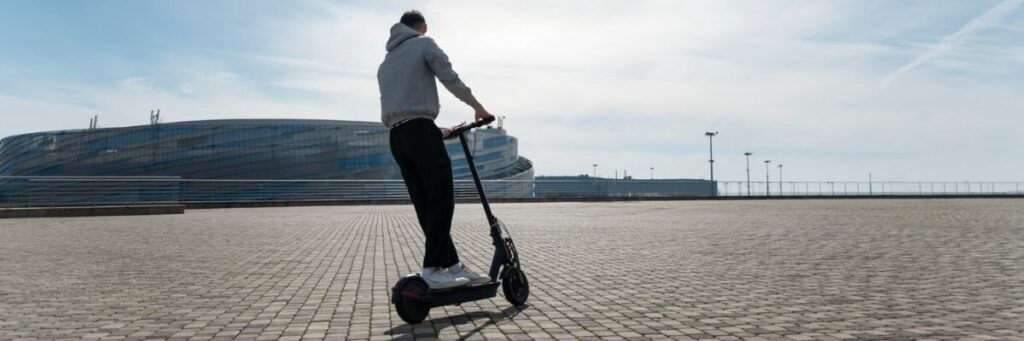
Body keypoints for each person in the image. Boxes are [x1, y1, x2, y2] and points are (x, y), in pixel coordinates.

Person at [378, 10, 493, 289]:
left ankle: (452, 266)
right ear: (423, 27)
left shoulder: (386, 63)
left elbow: (407, 104)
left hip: (397, 137)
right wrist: (478, 107)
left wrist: (439, 131)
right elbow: (448, 77)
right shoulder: (423, 44)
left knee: (425, 205)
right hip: (420, 131)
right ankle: (432, 268)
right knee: (441, 199)